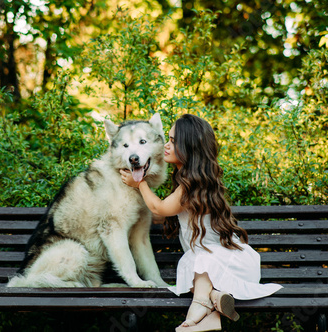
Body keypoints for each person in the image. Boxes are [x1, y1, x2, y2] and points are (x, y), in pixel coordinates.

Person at [120, 114, 282, 331]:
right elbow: (165, 211)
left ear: (189, 147)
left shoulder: (190, 186)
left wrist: (139, 184)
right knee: (196, 269)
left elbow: (160, 208)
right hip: (213, 269)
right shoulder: (193, 182)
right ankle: (213, 307)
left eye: (173, 141)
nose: (166, 146)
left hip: (224, 264)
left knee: (199, 264)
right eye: (167, 139)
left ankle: (198, 306)